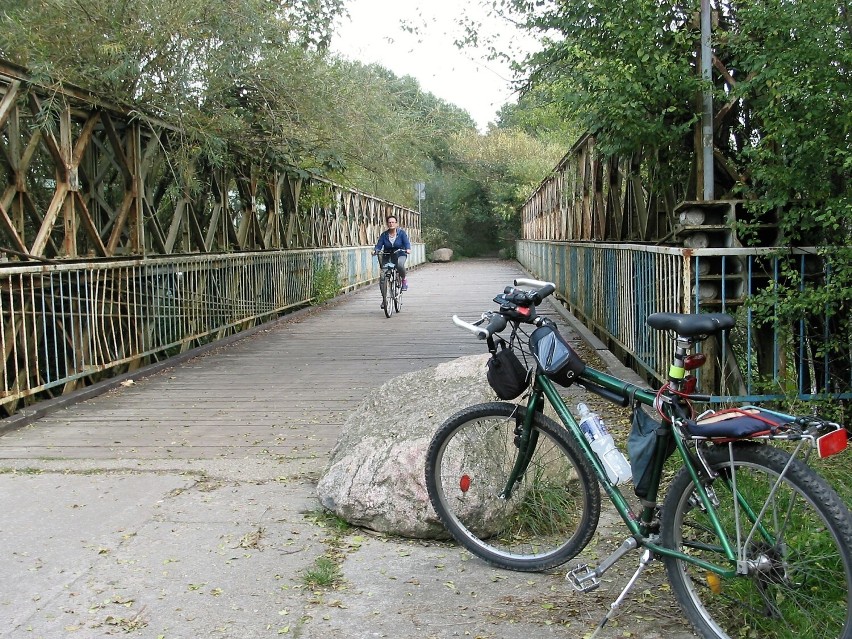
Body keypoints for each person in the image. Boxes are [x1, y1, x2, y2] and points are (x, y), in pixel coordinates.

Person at [374, 215, 411, 306]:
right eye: (389, 222)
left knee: (400, 265)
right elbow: (379, 245)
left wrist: (408, 249)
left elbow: (406, 243)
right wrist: (376, 250)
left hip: (400, 254)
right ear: (387, 224)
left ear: (396, 223)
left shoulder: (401, 233)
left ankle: (403, 279)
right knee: (382, 277)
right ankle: (384, 299)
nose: (391, 224)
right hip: (388, 256)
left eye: (393, 222)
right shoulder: (384, 235)